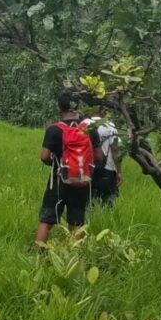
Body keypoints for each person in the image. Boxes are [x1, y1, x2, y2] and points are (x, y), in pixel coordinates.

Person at [35, 92, 104, 244]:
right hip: (82, 180)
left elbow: (44, 156)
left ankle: (37, 256)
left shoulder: (53, 130)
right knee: (77, 221)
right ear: (78, 107)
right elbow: (99, 156)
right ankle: (75, 257)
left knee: (47, 219)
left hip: (58, 180)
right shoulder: (89, 129)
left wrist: (57, 165)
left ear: (60, 108)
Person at [84, 114, 122, 207]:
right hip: (107, 171)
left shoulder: (84, 124)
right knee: (108, 205)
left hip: (88, 170)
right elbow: (115, 151)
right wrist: (119, 171)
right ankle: (106, 221)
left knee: (88, 204)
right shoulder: (110, 126)